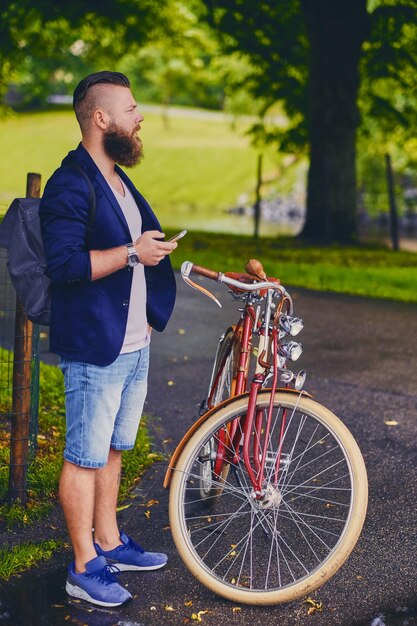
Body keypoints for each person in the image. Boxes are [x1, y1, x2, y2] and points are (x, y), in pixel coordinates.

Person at [39, 71, 177, 607]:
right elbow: (65, 265)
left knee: (115, 450)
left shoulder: (117, 178)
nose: (140, 117)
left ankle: (111, 542)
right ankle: (82, 565)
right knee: (83, 456)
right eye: (131, 108)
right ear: (101, 119)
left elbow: (132, 245)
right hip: (96, 346)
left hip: (134, 342)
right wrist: (132, 253)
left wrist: (153, 252)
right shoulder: (70, 182)